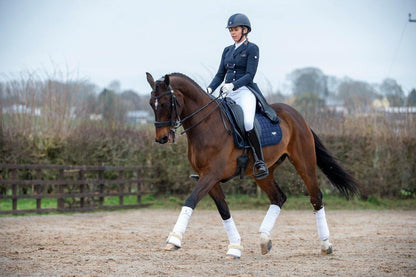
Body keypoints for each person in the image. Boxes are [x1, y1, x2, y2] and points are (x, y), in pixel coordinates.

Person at [207, 13, 277, 180]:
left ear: (245, 30)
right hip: (227, 93)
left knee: (247, 122)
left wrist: (233, 85)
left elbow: (250, 75)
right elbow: (220, 74)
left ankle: (259, 161)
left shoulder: (252, 48)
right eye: (231, 30)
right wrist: (210, 89)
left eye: (236, 29)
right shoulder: (227, 50)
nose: (232, 32)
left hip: (245, 91)